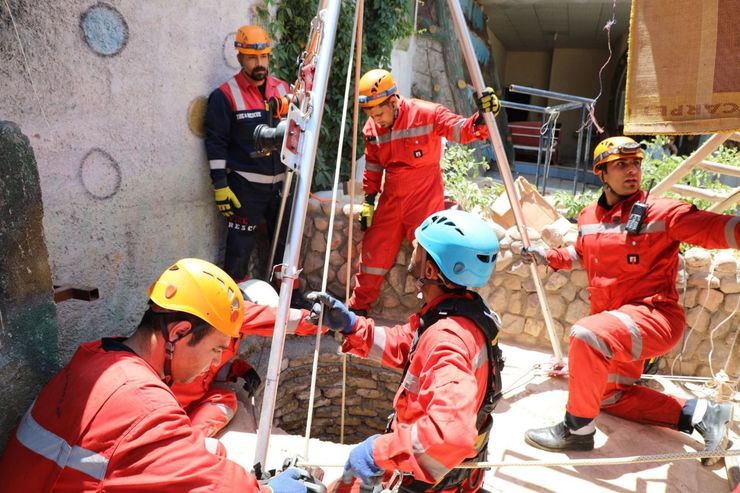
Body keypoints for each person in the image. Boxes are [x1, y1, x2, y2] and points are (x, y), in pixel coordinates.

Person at [0, 258, 308, 492]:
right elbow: (214, 485)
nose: (216, 361)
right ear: (179, 333)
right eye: (217, 350)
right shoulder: (140, 403)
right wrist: (269, 488)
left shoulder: (98, 356)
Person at [521, 136, 738, 465]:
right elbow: (581, 253)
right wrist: (547, 256)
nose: (632, 170)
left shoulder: (661, 212)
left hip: (654, 318)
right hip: (617, 323)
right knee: (611, 397)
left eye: (636, 163)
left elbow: (717, 229)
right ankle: (703, 413)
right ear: (601, 173)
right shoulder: (588, 217)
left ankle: (577, 431)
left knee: (586, 334)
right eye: (621, 164)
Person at [308, 210, 504, 493]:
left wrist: (379, 451)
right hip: (444, 476)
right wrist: (350, 326)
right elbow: (406, 344)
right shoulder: (462, 312)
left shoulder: (446, 338)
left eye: (419, 249)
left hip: (425, 483)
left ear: (430, 270)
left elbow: (452, 434)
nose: (413, 249)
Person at [347, 68, 500, 316]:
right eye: (371, 115)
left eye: (380, 113)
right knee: (373, 254)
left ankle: (435, 314)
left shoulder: (427, 113)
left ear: (393, 100)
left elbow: (460, 129)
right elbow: (373, 165)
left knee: (430, 260)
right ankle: (357, 310)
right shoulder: (372, 129)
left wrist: (482, 118)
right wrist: (368, 199)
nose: (377, 120)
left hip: (424, 196)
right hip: (391, 199)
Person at [204, 24, 308, 308]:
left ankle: (288, 299)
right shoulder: (225, 96)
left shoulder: (284, 89)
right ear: (240, 58)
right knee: (239, 250)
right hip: (244, 189)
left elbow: (299, 132)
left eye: (263, 57)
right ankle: (236, 308)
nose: (259, 64)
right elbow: (215, 144)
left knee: (287, 245)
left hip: (281, 187)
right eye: (252, 58)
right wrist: (220, 186)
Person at [173, 279, 325, 437]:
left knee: (227, 400)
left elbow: (209, 369)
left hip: (187, 400)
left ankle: (190, 436)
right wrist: (316, 321)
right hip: (173, 400)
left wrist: (238, 369)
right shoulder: (227, 312)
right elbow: (274, 319)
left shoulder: (229, 334)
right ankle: (187, 441)